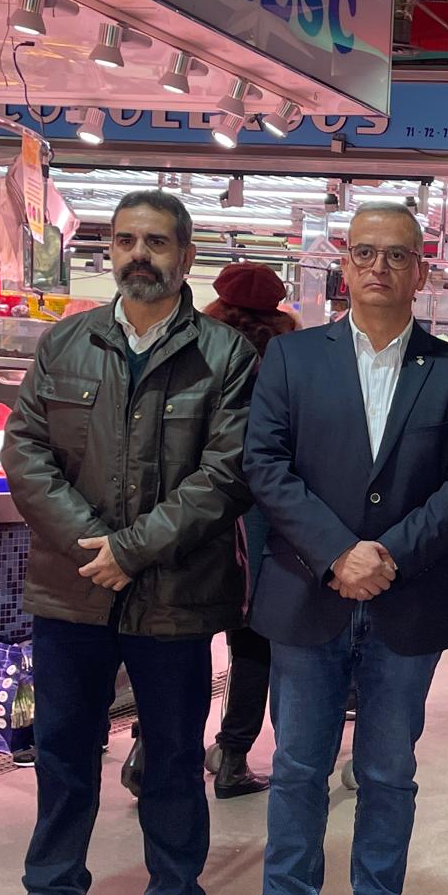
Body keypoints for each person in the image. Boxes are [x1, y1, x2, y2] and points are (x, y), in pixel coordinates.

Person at [0, 191, 257, 895]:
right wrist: (92, 544)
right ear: (109, 251)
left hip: (173, 591)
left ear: (187, 256)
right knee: (65, 745)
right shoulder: (66, 344)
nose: (142, 254)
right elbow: (25, 452)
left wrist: (132, 550)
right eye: (128, 240)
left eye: (159, 242)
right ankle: (52, 894)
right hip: (73, 588)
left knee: (172, 752)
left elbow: (226, 473)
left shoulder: (225, 357)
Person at [238, 204, 448, 895]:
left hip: (404, 599)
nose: (379, 267)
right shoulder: (292, 361)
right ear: (343, 267)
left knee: (388, 771)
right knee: (299, 766)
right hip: (309, 594)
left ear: (422, 270)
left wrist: (387, 553)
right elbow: (267, 466)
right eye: (364, 253)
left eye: (397, 255)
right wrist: (335, 554)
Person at [200, 260, 299, 797]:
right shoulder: (289, 359)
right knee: (253, 644)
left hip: (193, 508)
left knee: (183, 638)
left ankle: (151, 750)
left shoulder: (196, 348)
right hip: (259, 511)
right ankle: (233, 756)